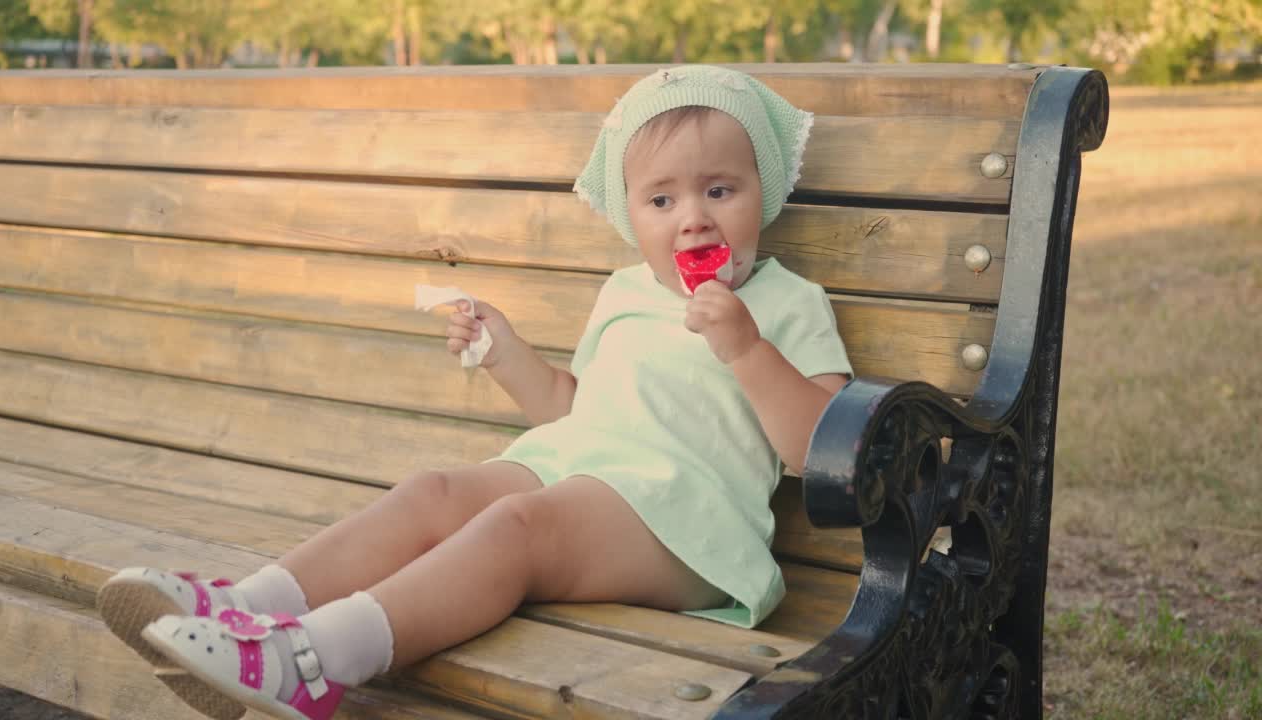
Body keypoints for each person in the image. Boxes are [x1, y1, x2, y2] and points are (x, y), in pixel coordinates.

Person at [94, 64, 854, 720]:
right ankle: (249, 606)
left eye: (719, 190)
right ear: (632, 219)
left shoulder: (789, 303)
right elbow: (574, 412)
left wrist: (747, 349)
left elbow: (819, 452)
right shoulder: (624, 293)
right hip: (588, 473)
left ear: (767, 191)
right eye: (662, 202)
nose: (692, 219)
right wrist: (506, 353)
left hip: (691, 526)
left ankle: (309, 666)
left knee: (517, 525)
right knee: (435, 491)